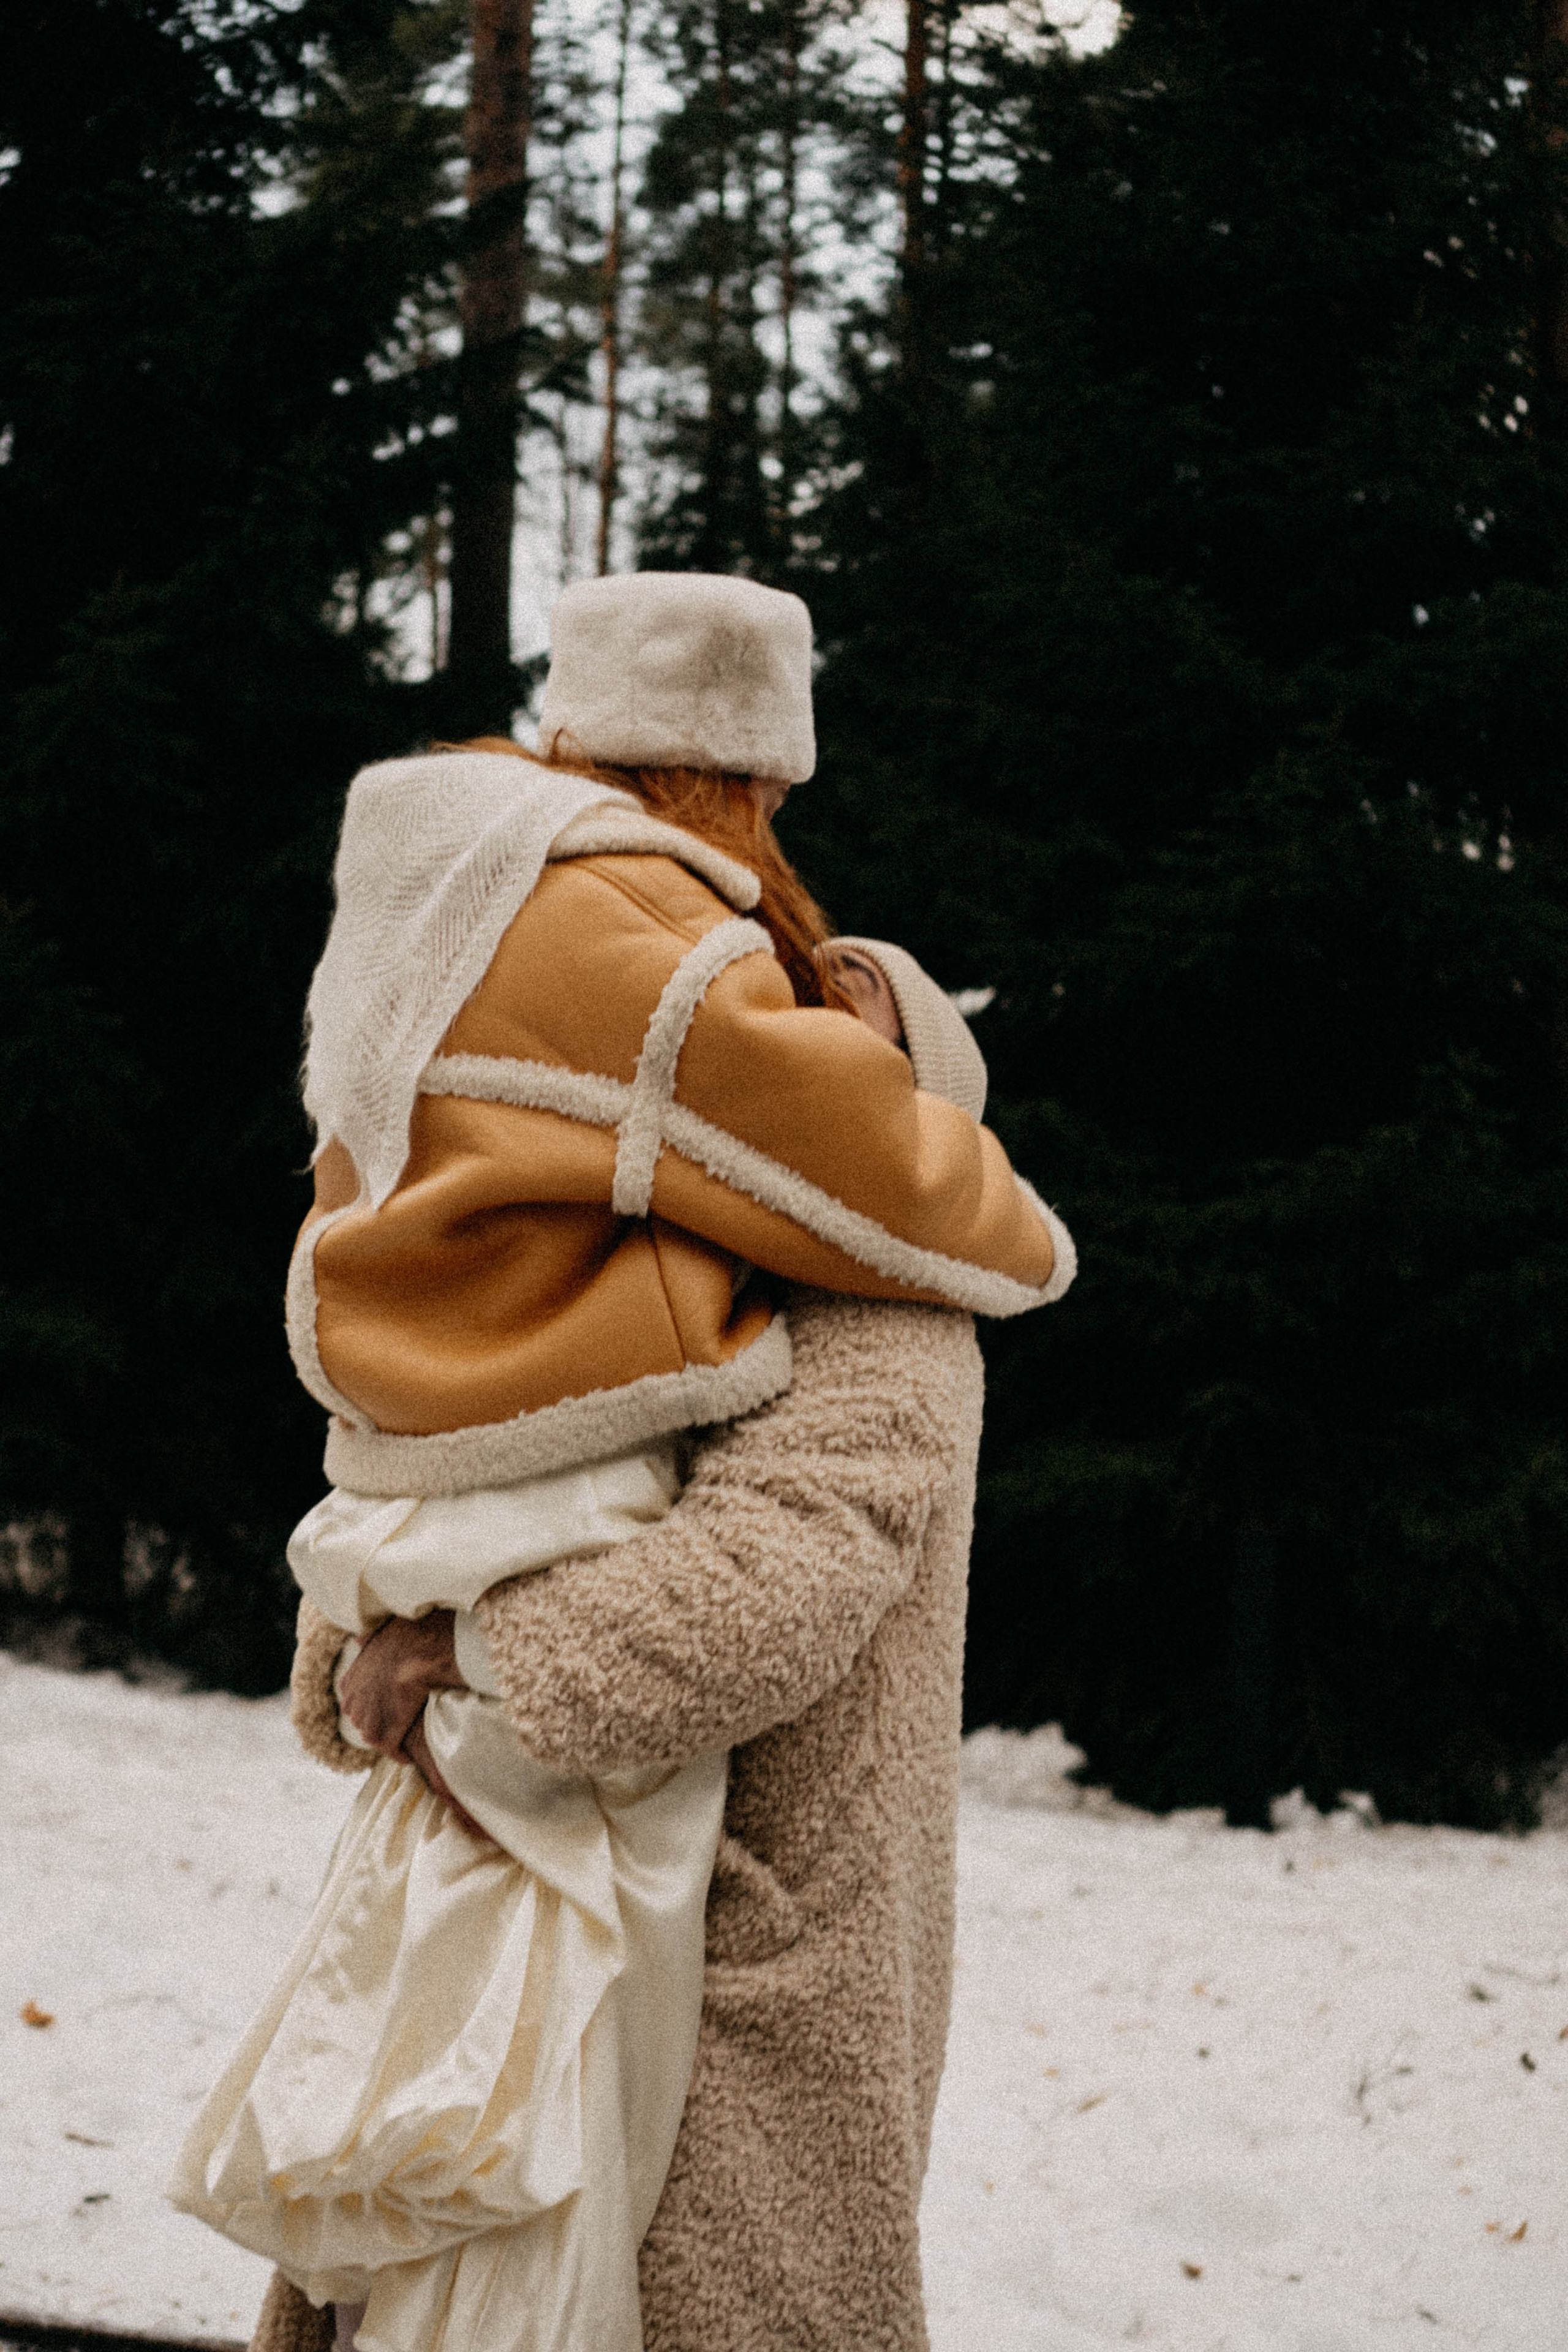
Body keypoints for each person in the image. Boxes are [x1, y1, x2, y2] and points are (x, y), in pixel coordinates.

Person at [173, 571, 1074, 2352]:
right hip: (522, 1936)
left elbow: (777, 1578)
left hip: (751, 1968)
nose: (810, 1053)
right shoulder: (656, 1263)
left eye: (852, 1046)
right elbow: (491, 1471)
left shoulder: (894, 1318)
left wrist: (461, 1649)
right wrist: (375, 1624)